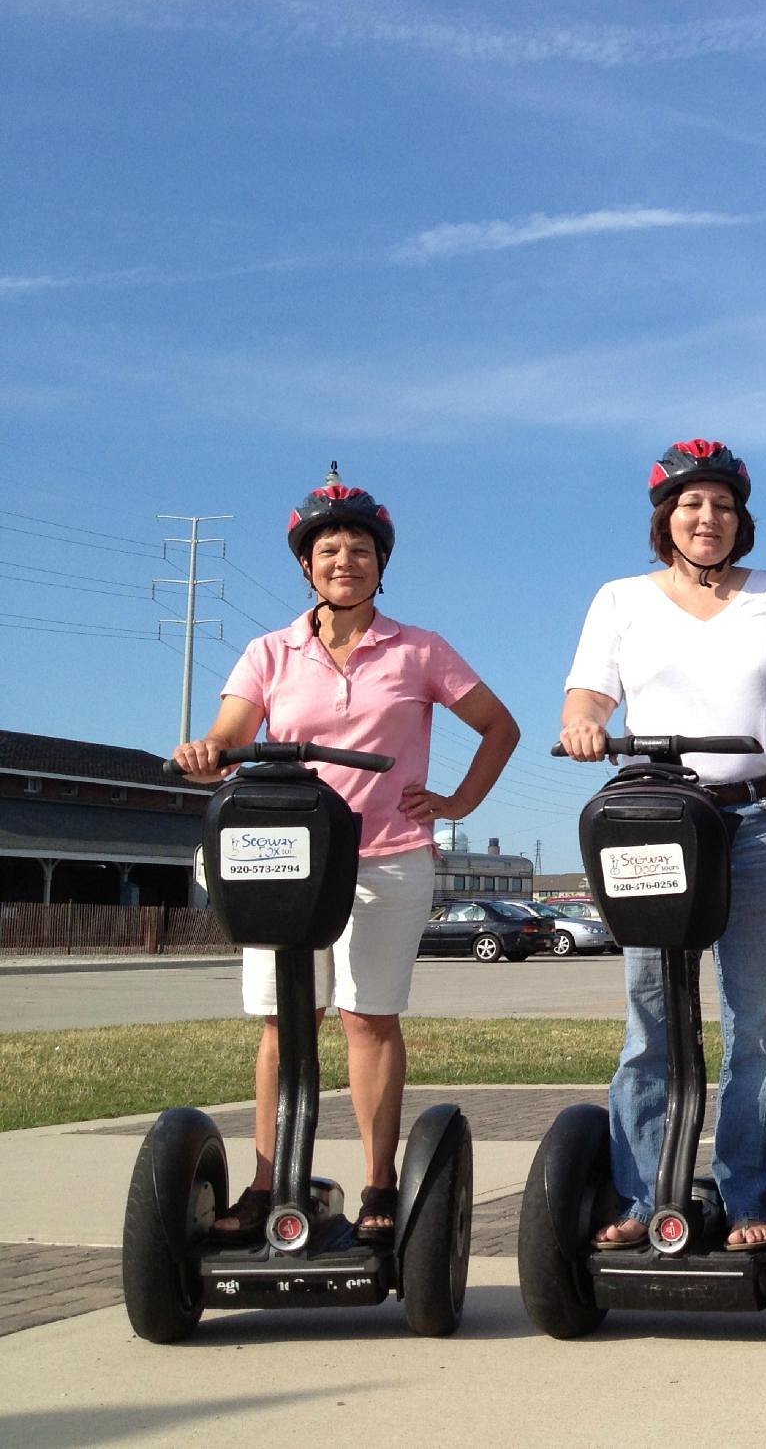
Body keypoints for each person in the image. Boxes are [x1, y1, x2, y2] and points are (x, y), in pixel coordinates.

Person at [175, 467, 520, 1240]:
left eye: (360, 549)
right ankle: (268, 1182)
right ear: (307, 564)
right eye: (329, 549)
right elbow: (231, 737)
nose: (345, 562)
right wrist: (209, 752)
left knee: (369, 1019)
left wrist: (459, 802)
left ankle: (378, 1186)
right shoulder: (270, 653)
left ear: (380, 563)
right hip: (288, 857)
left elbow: (500, 726)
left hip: (387, 856)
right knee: (284, 1022)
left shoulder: (420, 650)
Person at [561, 440, 766, 1251]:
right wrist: (585, 722)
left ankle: (748, 1197)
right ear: (666, 517)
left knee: (760, 1023)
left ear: (741, 520)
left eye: (723, 506)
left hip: (760, 822)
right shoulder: (621, 599)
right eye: (691, 504)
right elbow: (590, 690)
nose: (707, 519)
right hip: (655, 825)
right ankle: (643, 1197)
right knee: (652, 1022)